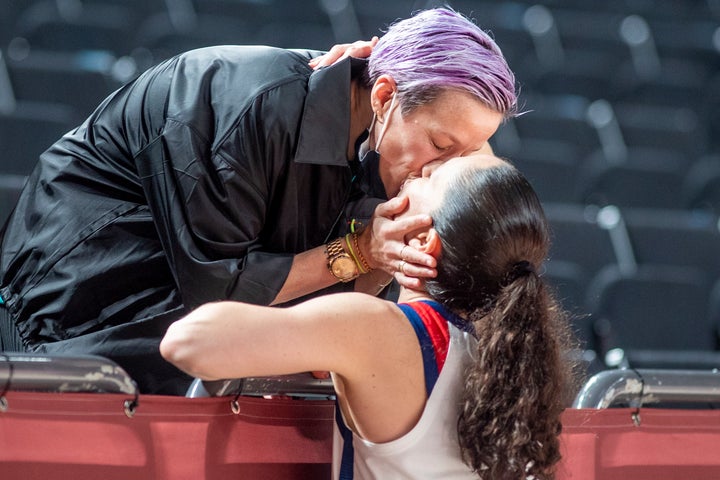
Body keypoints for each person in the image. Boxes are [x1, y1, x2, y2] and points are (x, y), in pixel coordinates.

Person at [0, 7, 518, 394]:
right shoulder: (243, 102)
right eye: (441, 146)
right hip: (69, 311)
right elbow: (217, 294)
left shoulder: (389, 149)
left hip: (176, 331)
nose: (437, 168)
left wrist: (389, 250)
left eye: (461, 156)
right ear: (384, 96)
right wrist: (359, 252)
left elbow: (335, 332)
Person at [160, 153, 579, 480]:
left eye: (429, 178)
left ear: (421, 240)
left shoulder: (381, 330)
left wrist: (357, 256)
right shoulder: (505, 355)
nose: (418, 170)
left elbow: (188, 342)